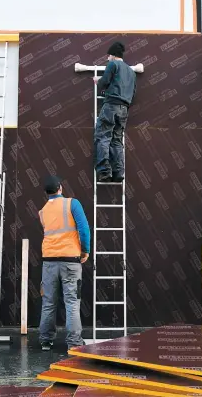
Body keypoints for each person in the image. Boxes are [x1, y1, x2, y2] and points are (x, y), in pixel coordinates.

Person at [38, 176, 90, 351]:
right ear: (60, 187)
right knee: (72, 302)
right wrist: (85, 250)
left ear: (46, 193)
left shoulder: (43, 211)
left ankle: (45, 340)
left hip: (49, 261)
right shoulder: (72, 203)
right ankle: (74, 343)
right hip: (70, 261)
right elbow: (83, 229)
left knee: (48, 302)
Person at [93, 41, 137, 182]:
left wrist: (97, 81)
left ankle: (104, 171)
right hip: (124, 108)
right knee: (117, 140)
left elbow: (105, 81)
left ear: (113, 55)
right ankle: (118, 172)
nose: (107, 59)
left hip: (111, 105)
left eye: (108, 56)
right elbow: (133, 91)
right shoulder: (131, 72)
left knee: (103, 136)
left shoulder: (113, 64)